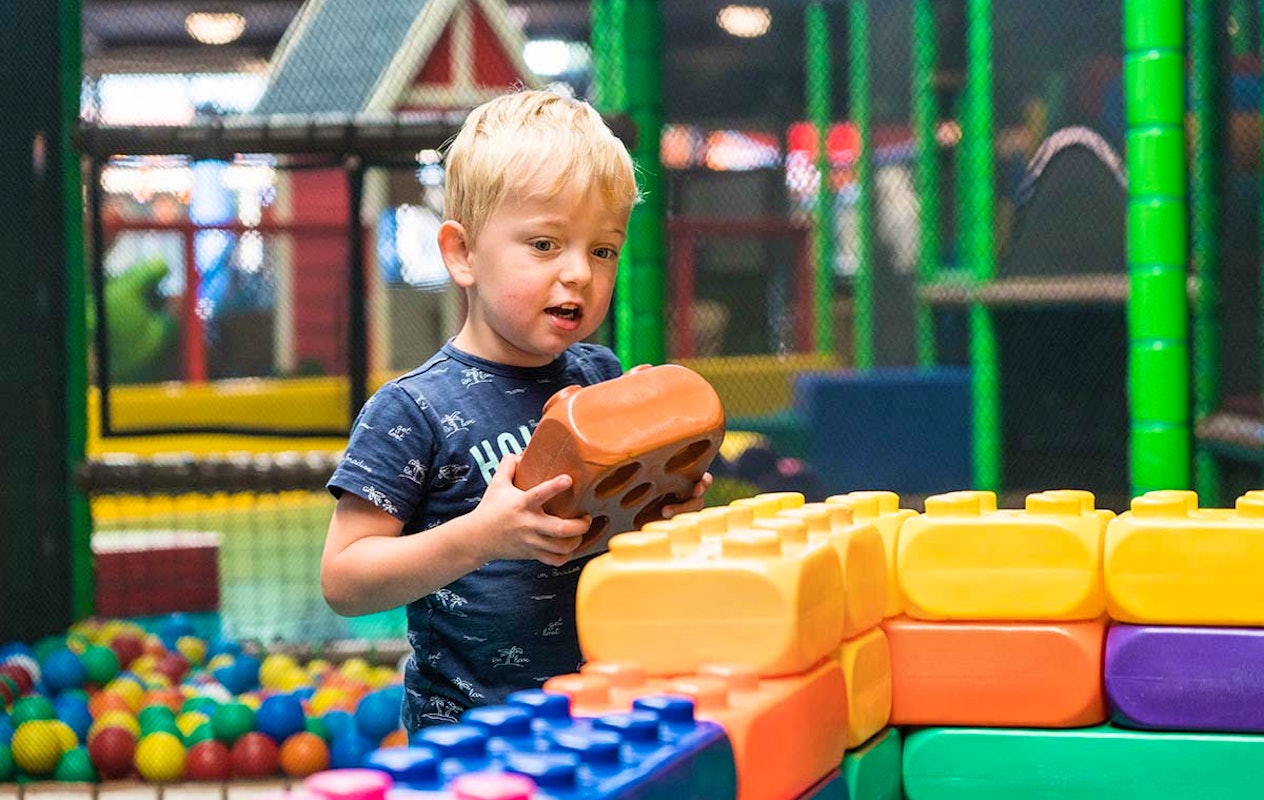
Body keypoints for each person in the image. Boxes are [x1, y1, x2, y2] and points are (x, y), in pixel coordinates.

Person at [321, 89, 711, 730]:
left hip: (604, 712)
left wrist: (666, 509)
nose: (580, 273)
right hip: (473, 736)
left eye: (602, 250)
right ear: (462, 254)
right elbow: (344, 580)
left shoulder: (600, 381)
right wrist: (481, 537)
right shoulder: (412, 410)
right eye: (545, 245)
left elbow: (624, 531)